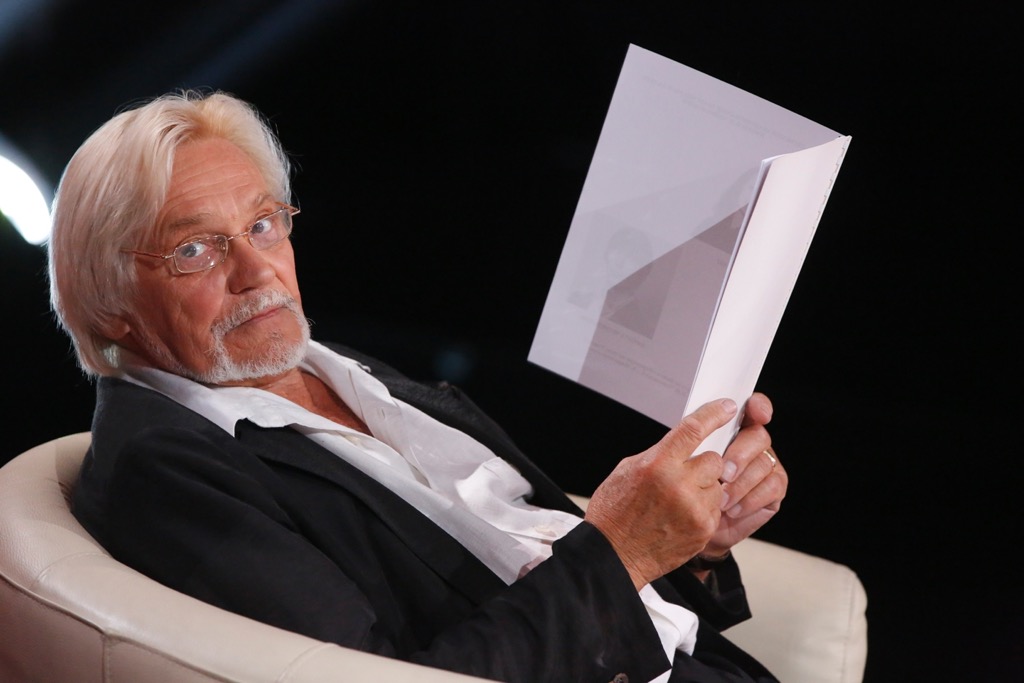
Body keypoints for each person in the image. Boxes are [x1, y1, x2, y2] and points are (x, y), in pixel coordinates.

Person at [48, 90, 788, 683]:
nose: (256, 270)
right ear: (109, 301)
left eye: (264, 224)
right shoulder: (164, 468)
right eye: (194, 249)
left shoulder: (332, 365)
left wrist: (691, 543)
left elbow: (523, 538)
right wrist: (622, 552)